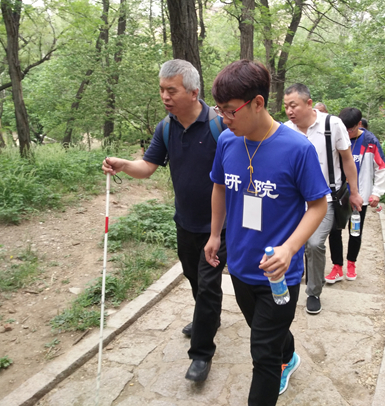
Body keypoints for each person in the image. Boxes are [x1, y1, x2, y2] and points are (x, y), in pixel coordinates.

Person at [204, 60, 329, 405]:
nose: (224, 119)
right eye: (220, 111)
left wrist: (290, 249)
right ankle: (287, 352)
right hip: (241, 266)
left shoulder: (297, 149)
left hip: (279, 274)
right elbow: (219, 186)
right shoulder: (229, 141)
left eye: (230, 111)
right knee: (267, 333)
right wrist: (215, 235)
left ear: (258, 103)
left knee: (263, 356)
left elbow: (319, 205)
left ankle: (278, 360)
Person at [102, 59, 227, 383]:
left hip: (218, 226)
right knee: (193, 276)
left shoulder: (219, 126)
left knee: (209, 284)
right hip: (184, 221)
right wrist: (123, 164)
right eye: (161, 90)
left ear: (193, 91)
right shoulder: (166, 127)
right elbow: (147, 166)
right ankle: (207, 318)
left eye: (171, 90)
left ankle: (201, 353)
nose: (165, 96)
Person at [283, 84, 362, 314]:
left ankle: (313, 291)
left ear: (308, 103)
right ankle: (289, 282)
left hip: (326, 198)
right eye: (286, 106)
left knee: (314, 243)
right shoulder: (286, 130)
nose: (289, 111)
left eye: (293, 105)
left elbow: (347, 160)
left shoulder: (332, 124)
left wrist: (355, 192)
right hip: (295, 200)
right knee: (290, 244)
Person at [327, 108, 385, 282]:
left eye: (350, 129)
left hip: (360, 195)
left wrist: (376, 192)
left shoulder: (370, 141)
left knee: (355, 231)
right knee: (334, 231)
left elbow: (381, 167)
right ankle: (337, 266)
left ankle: (351, 263)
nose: (346, 133)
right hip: (338, 194)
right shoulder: (335, 138)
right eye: (343, 129)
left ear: (359, 124)